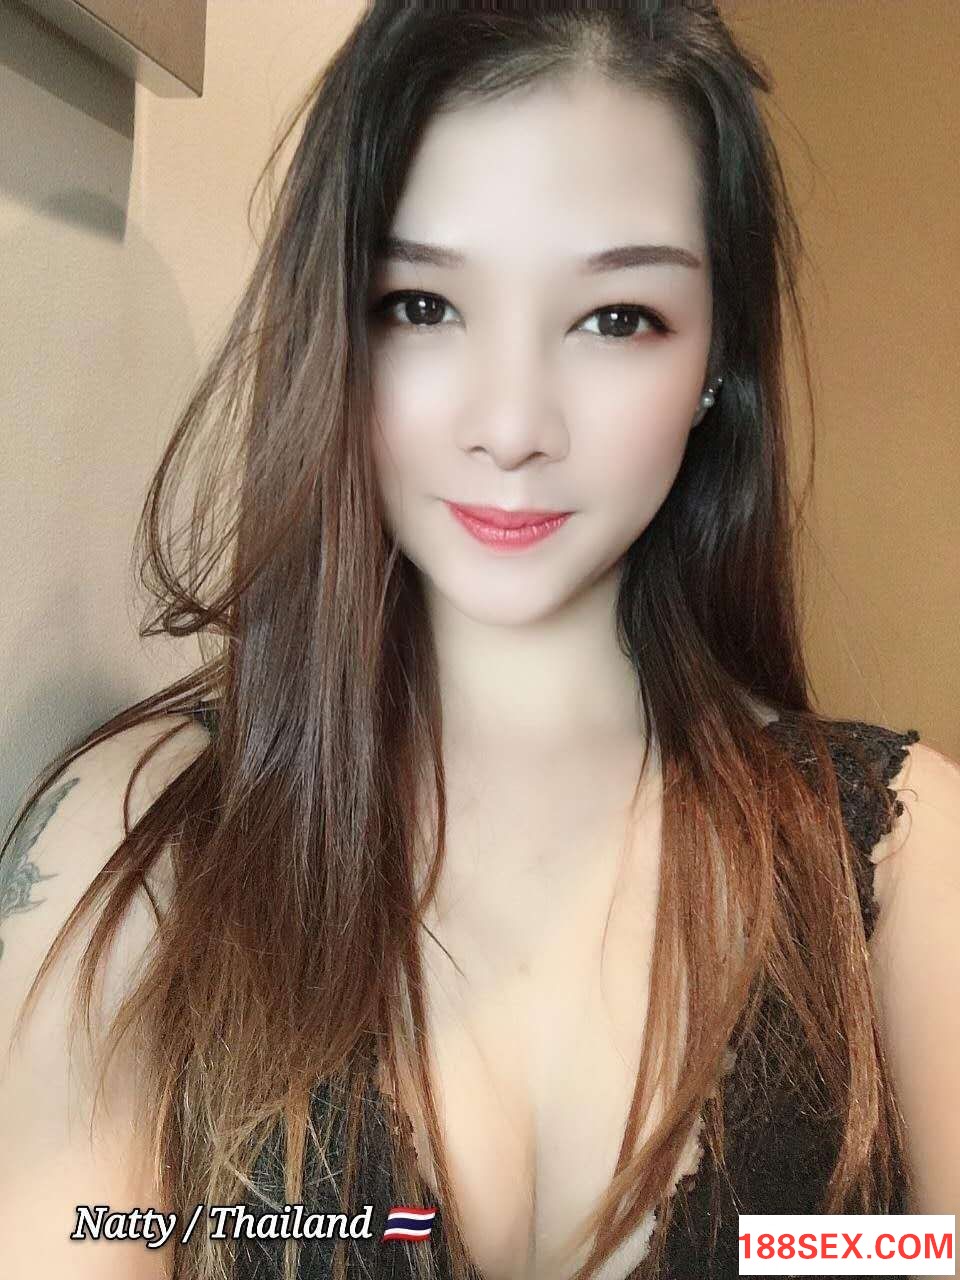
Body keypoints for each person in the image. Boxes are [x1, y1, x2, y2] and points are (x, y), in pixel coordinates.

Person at [1, 3, 957, 1279]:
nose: (512, 426)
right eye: (423, 304)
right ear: (336, 329)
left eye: (616, 317)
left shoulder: (901, 864)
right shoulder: (132, 844)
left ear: (717, 356)